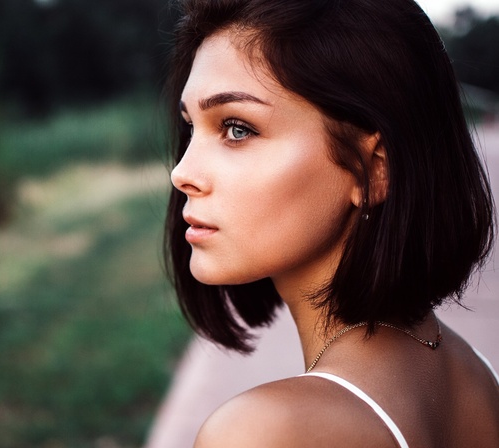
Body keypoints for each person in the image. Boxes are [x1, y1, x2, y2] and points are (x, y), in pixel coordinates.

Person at [163, 0, 499, 446]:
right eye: (191, 128)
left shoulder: (262, 432)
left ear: (374, 168)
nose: (182, 173)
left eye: (237, 128)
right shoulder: (474, 373)